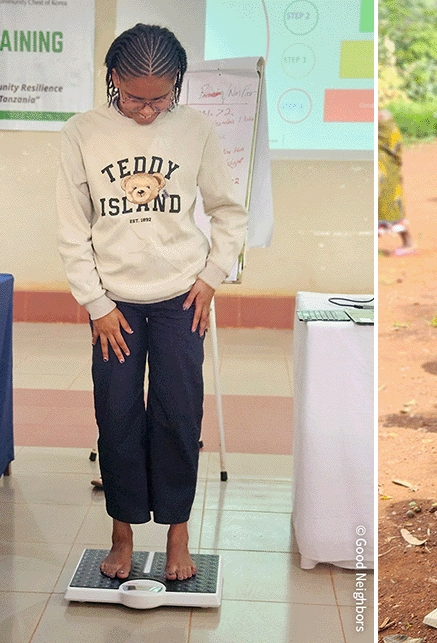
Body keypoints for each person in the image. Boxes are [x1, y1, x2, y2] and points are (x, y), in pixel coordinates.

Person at [57, 24, 248, 580]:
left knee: (177, 415)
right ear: (113, 78)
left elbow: (227, 210)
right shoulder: (81, 133)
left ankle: (177, 533)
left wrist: (211, 277)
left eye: (160, 98)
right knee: (116, 416)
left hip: (180, 300)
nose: (146, 110)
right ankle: (121, 532)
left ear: (177, 85)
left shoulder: (196, 128)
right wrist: (95, 304)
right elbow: (73, 229)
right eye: (135, 97)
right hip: (112, 303)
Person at [378, 109, 416, 256]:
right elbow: (396, 145)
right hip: (387, 166)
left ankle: (409, 243)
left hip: (382, 167)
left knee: (388, 205)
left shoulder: (380, 118)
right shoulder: (384, 116)